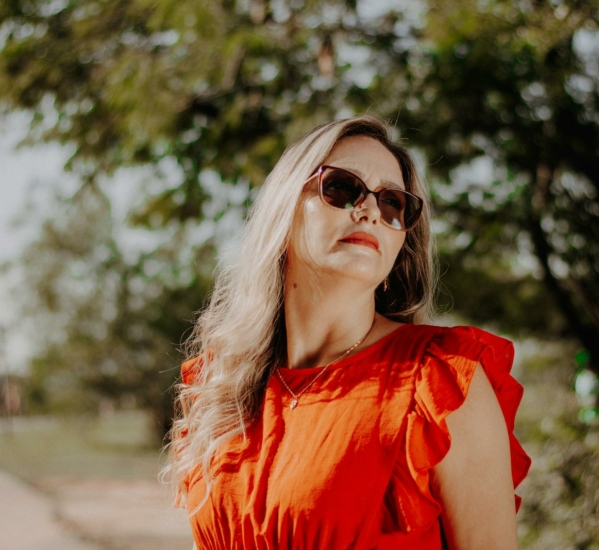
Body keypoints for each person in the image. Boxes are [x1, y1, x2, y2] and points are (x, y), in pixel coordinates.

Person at [164, 115, 531, 549]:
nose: (371, 210)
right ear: (284, 207)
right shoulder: (222, 385)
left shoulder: (439, 384)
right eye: (341, 187)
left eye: (394, 203)